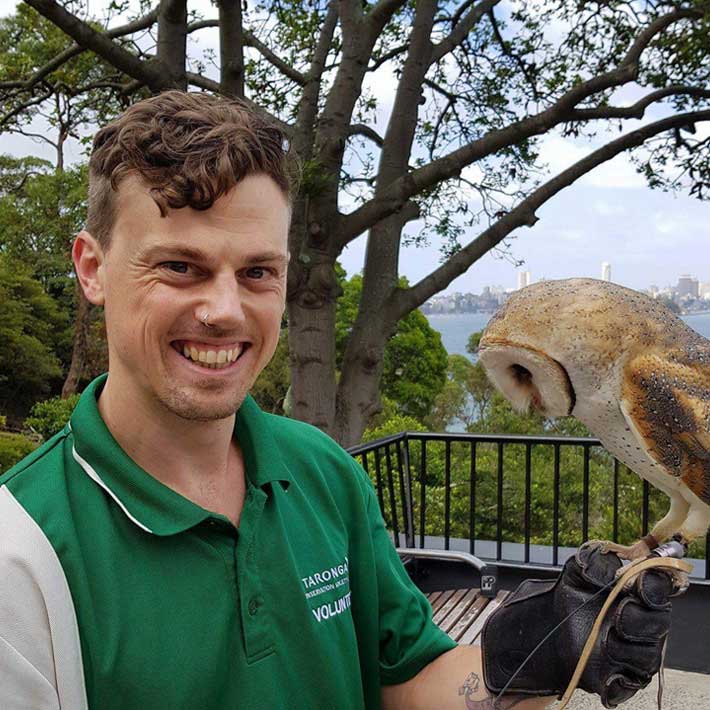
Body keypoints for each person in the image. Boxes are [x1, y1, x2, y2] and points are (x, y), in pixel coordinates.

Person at [0, 90, 680, 710]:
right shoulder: (20, 553)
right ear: (92, 267)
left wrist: (531, 655)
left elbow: (408, 678)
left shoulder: (323, 472)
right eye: (181, 266)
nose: (225, 310)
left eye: (258, 272)